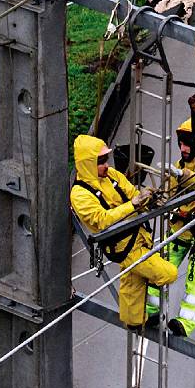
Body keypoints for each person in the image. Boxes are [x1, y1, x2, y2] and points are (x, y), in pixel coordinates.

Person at [70, 134, 178, 328]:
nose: (106, 164)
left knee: (131, 284)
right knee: (168, 273)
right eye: (101, 160)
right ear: (87, 163)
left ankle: (134, 321)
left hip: (138, 236)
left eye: (106, 159)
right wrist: (133, 205)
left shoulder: (112, 175)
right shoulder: (80, 194)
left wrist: (148, 200)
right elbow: (102, 220)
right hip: (123, 246)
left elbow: (133, 195)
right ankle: (147, 281)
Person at [147, 117, 195, 337]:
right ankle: (151, 309)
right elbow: (170, 195)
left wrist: (184, 177)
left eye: (187, 143)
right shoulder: (180, 166)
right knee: (159, 268)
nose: (183, 148)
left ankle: (185, 322)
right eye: (181, 143)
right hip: (181, 228)